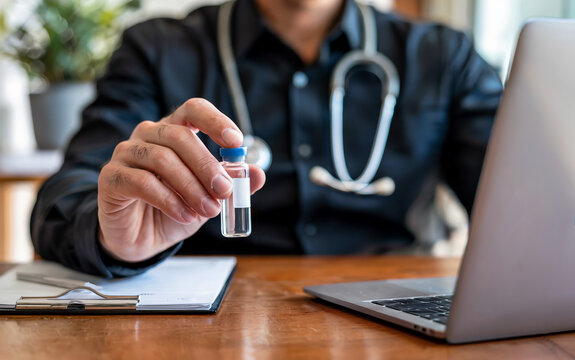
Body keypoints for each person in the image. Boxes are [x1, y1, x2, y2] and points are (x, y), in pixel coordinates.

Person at [31, 0, 502, 277]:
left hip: (393, 309)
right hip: (210, 320)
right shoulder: (157, 51)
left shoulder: (444, 58)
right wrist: (112, 238)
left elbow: (520, 204)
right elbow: (64, 197)